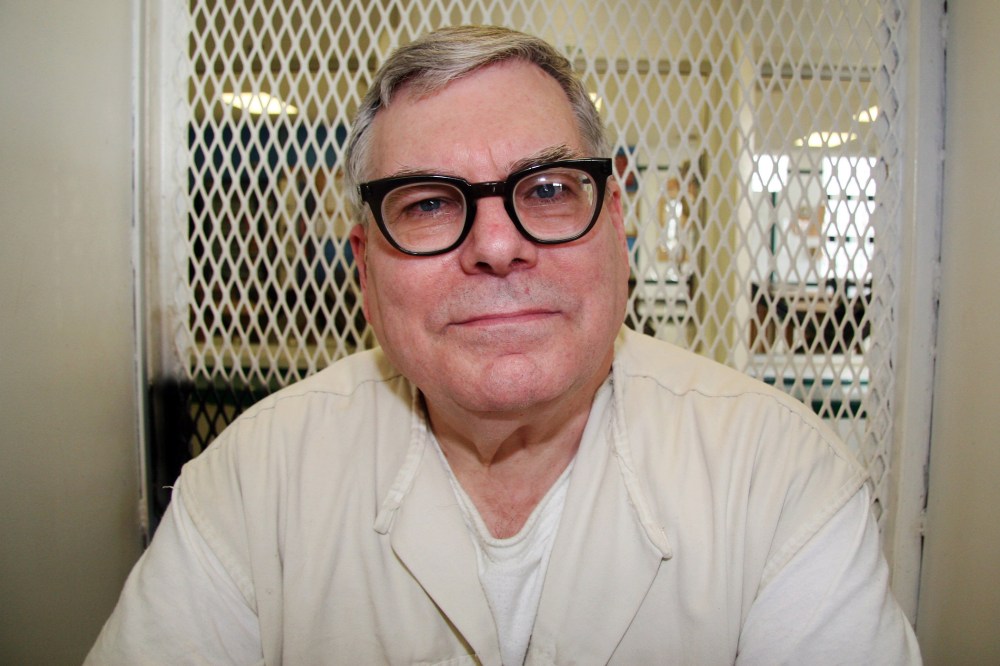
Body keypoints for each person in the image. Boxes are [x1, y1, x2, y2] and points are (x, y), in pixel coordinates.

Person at [87, 25, 921, 664]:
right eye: (428, 204)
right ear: (365, 271)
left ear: (616, 229)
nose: (496, 245)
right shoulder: (252, 484)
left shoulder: (780, 478)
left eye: (549, 189)